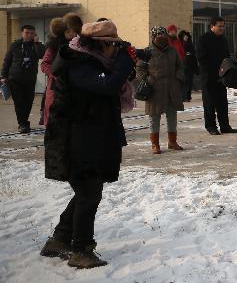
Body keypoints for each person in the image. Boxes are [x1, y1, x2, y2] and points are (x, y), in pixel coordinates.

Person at [40, 20, 135, 268]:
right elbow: (107, 85)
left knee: (87, 192)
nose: (116, 50)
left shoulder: (92, 61)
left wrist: (124, 64)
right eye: (113, 45)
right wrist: (124, 64)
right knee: (89, 194)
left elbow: (109, 85)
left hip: (90, 137)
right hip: (75, 139)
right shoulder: (78, 63)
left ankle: (60, 239)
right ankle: (81, 250)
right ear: (100, 45)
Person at [136, 26, 185, 154]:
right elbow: (140, 68)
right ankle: (155, 144)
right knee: (154, 117)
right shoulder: (147, 52)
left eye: (164, 36)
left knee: (172, 115)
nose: (162, 38)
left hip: (171, 88)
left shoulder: (173, 51)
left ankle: (172, 142)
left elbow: (180, 66)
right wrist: (147, 79)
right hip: (154, 89)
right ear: (153, 37)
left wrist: (178, 79)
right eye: (159, 36)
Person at [197, 16, 237, 135]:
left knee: (222, 103)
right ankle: (211, 126)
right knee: (209, 103)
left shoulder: (223, 39)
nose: (222, 28)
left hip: (222, 76)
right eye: (219, 26)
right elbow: (201, 58)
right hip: (208, 77)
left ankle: (225, 126)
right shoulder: (204, 39)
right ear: (212, 26)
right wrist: (210, 71)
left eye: (223, 26)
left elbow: (226, 57)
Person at [2, 24, 46, 133]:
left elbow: (41, 55)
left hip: (30, 79)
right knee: (19, 102)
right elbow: (7, 61)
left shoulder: (36, 45)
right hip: (15, 78)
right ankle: (22, 124)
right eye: (27, 33)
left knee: (28, 101)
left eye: (32, 33)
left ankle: (24, 121)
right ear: (22, 33)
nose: (29, 35)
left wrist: (37, 42)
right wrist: (3, 76)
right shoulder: (15, 45)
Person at [178, 30, 198, 102]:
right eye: (184, 36)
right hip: (183, 63)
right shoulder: (180, 42)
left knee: (189, 80)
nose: (185, 37)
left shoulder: (189, 42)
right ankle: (183, 96)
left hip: (189, 64)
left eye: (186, 36)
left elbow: (193, 52)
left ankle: (187, 96)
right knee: (184, 81)